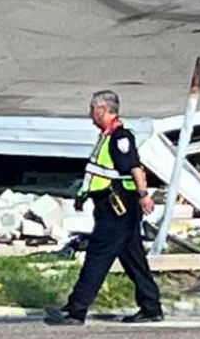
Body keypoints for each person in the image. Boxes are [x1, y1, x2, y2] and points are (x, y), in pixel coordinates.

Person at [45, 91, 163, 326]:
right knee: (133, 259)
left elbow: (135, 169)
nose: (90, 115)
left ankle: (76, 310)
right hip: (113, 206)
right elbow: (99, 173)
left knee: (97, 257)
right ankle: (151, 307)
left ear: (102, 110)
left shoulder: (120, 137)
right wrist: (83, 195)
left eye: (92, 110)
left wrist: (143, 196)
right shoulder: (107, 137)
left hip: (117, 208)